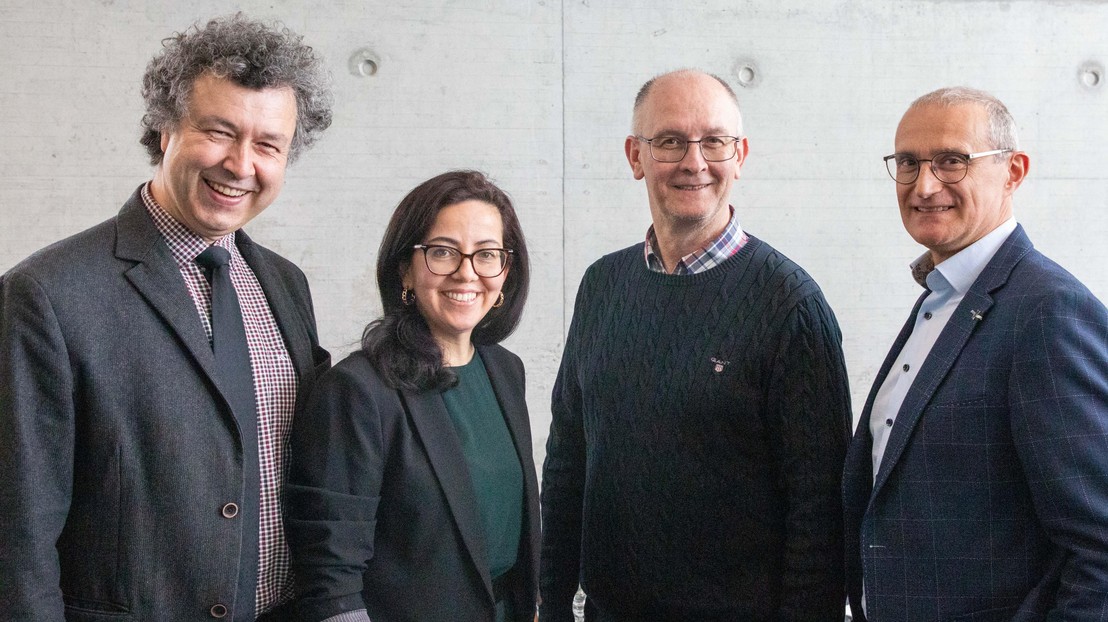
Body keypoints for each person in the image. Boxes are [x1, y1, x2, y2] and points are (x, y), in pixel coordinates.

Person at [0, 14, 333, 621]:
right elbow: (16, 535)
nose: (240, 164)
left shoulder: (287, 285)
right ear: (163, 131)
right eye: (218, 132)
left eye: (267, 145)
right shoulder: (45, 295)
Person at [539, 69, 852, 622]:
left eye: (713, 141)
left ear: (740, 155)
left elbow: (819, 509)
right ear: (635, 157)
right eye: (670, 142)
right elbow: (568, 459)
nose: (694, 162)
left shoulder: (791, 305)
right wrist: (552, 597)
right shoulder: (602, 286)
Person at [843, 87, 1108, 620]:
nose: (924, 185)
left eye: (951, 161)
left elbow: (1100, 545)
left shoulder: (1047, 312)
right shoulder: (940, 300)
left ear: (1013, 171)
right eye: (909, 163)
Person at [286, 170, 539, 622]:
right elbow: (331, 577)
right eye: (442, 252)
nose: (467, 272)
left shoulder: (504, 371)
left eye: (487, 255)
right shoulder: (358, 391)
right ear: (404, 267)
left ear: (506, 271)